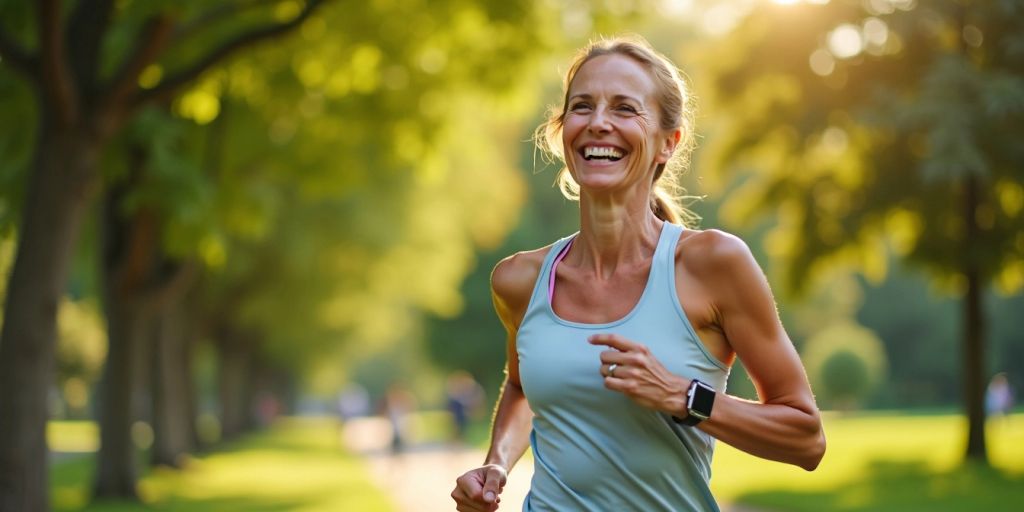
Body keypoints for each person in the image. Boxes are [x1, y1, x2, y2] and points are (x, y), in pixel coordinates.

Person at [451, 35, 826, 512]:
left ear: (668, 143)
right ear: (563, 130)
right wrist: (498, 464)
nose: (599, 123)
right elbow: (524, 386)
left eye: (625, 109)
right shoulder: (521, 280)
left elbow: (806, 439)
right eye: (582, 107)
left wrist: (683, 395)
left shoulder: (712, 265)